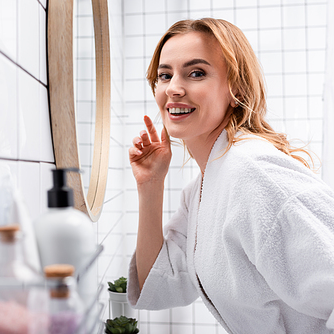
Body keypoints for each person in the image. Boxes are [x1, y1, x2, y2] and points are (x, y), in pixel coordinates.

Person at [127, 18, 334, 333]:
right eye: (164, 75)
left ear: (236, 87)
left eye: (196, 73)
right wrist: (150, 185)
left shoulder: (254, 173)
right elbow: (161, 286)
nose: (174, 89)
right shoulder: (203, 186)